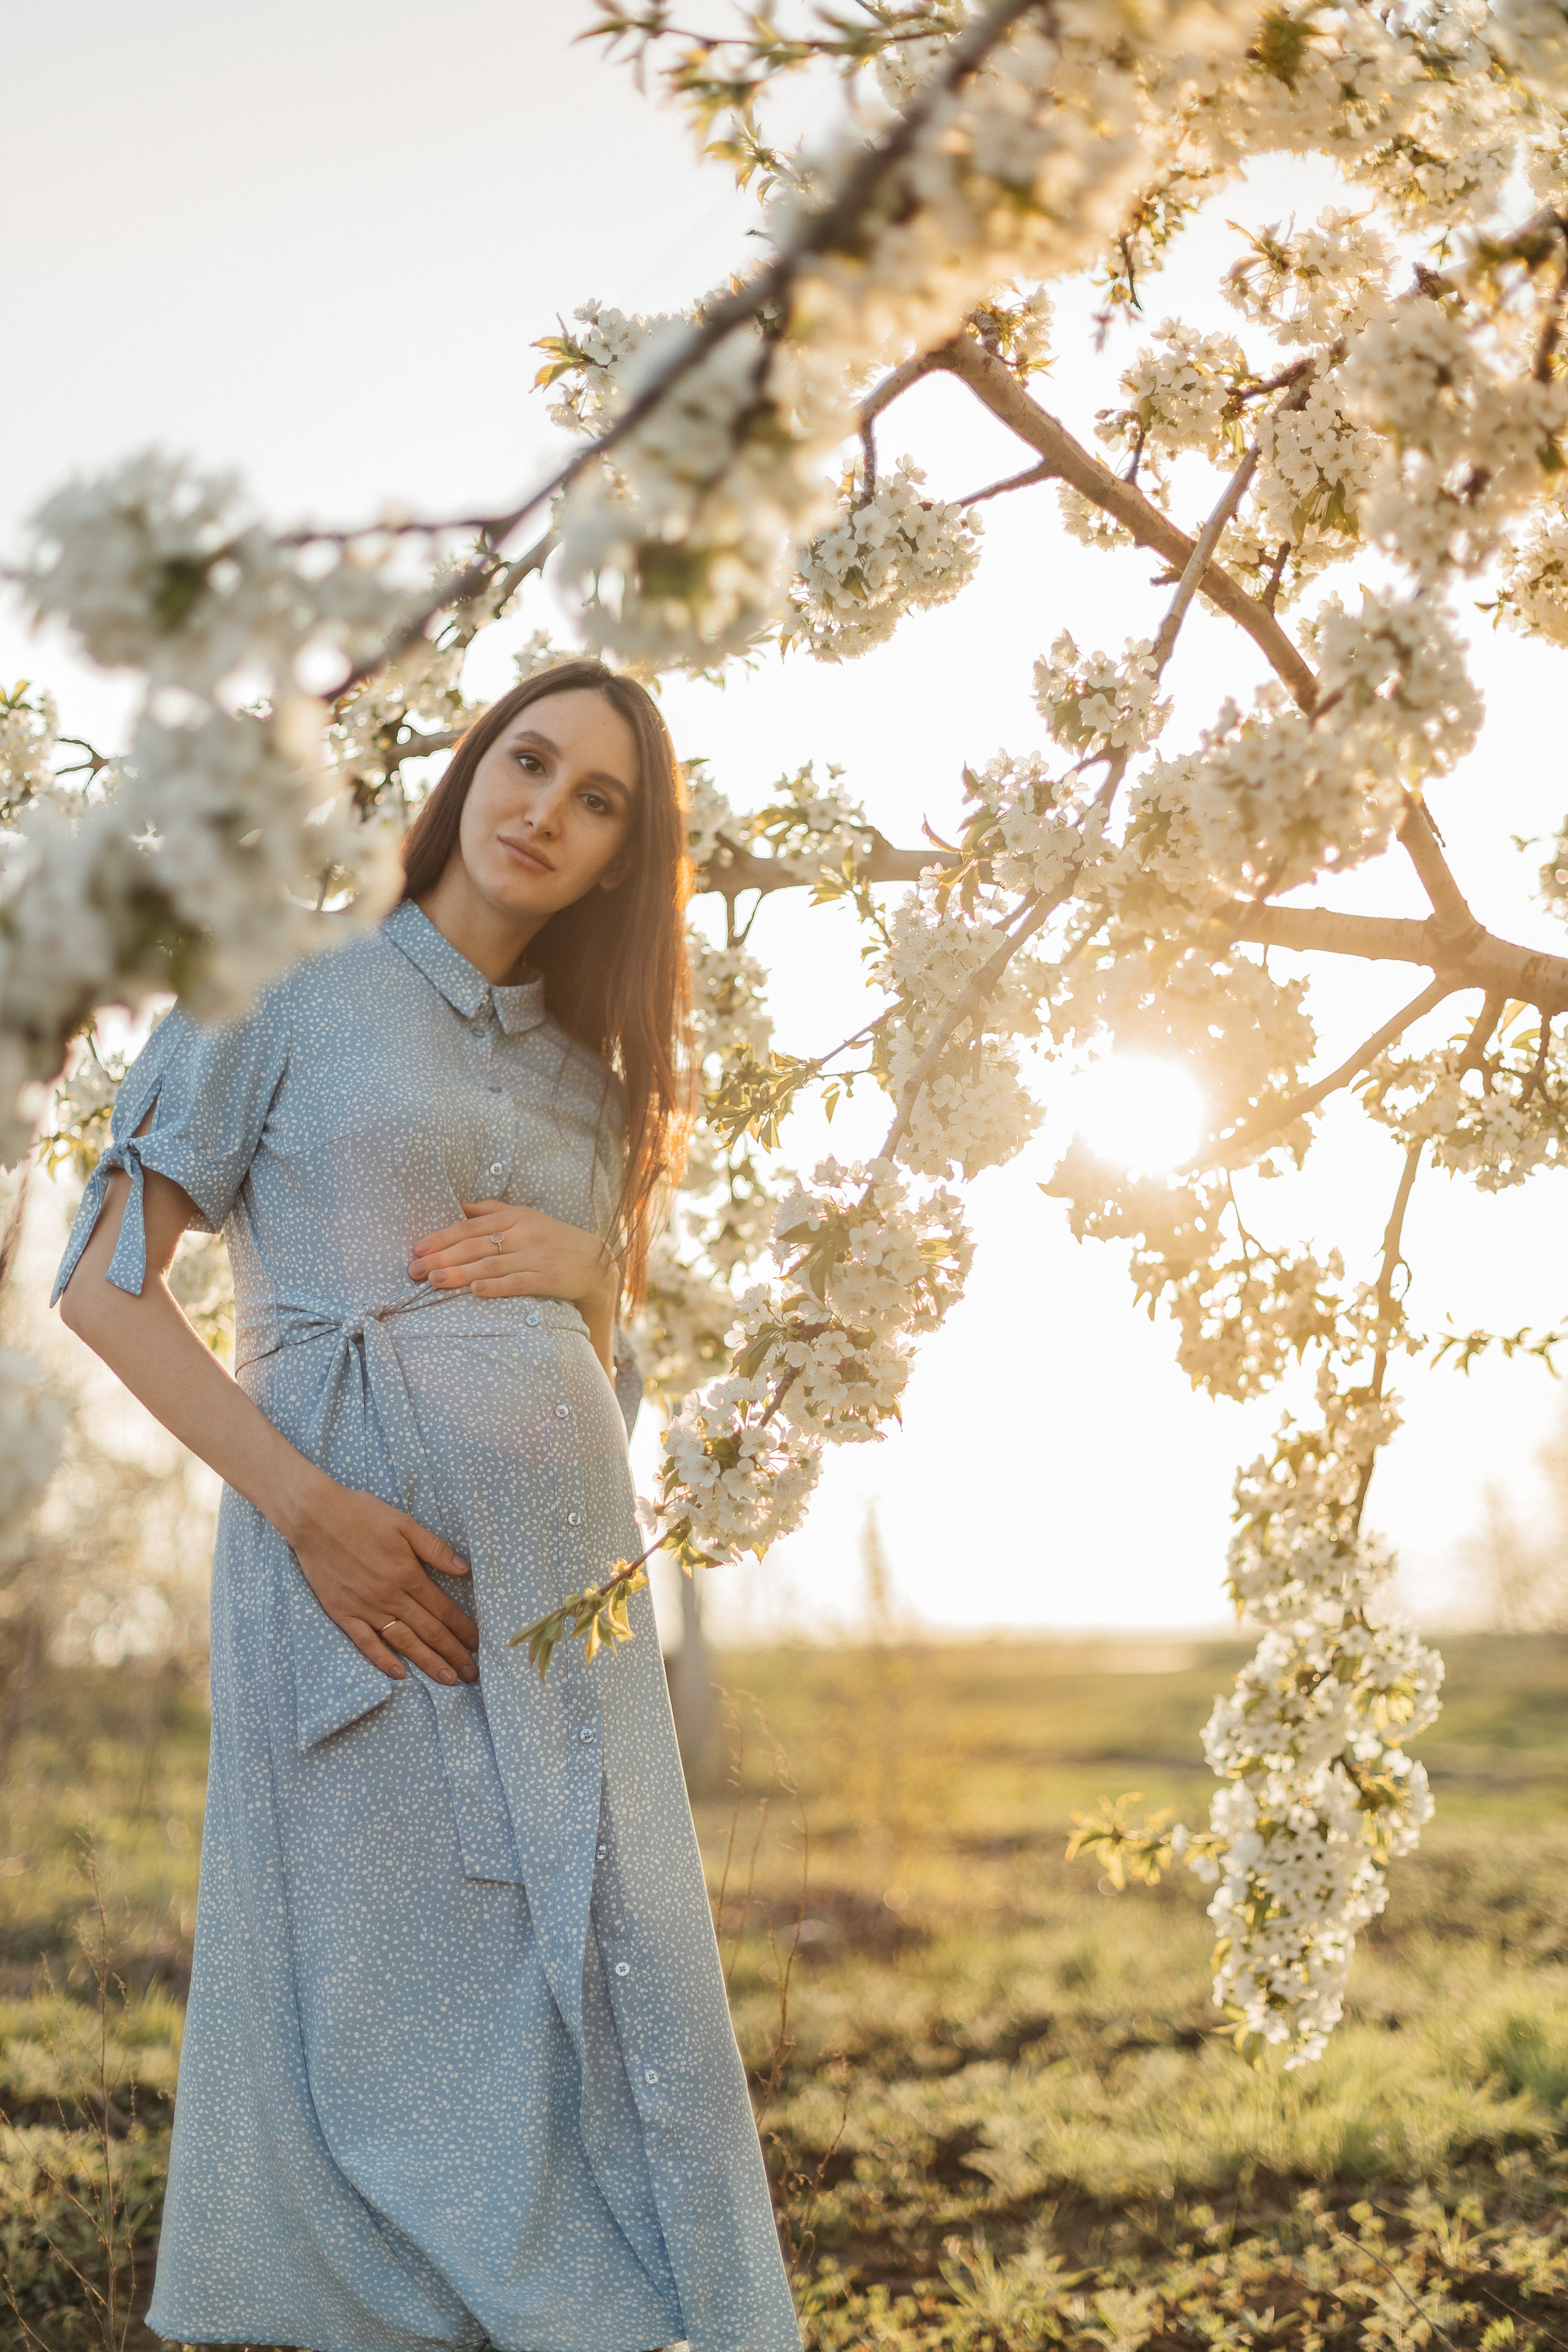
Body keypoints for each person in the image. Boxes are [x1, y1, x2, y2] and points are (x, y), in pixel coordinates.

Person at [53, 662, 802, 2352]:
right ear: (470, 775)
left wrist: (595, 1290)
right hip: (353, 1576)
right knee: (402, 2030)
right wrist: (307, 1512)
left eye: (601, 798)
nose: (548, 809)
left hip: (568, 1608)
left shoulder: (597, 1092)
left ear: (625, 856)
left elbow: (594, 1411)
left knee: (588, 1999)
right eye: (529, 763)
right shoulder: (287, 986)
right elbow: (103, 1288)